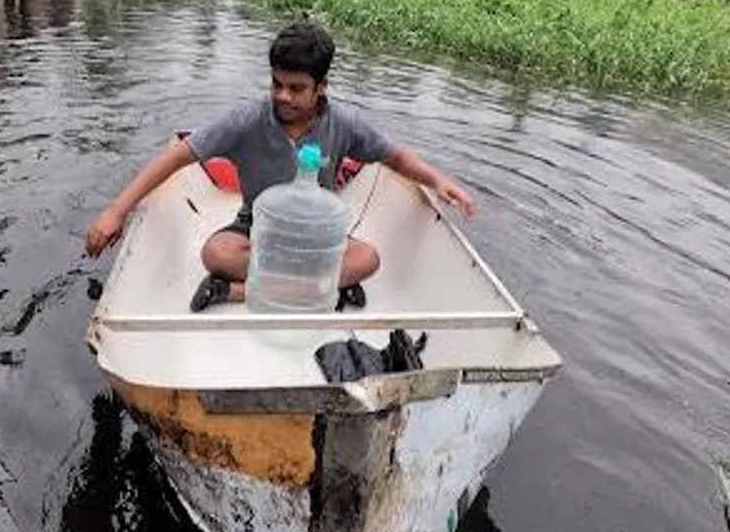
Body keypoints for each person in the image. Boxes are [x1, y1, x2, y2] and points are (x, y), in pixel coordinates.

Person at [83, 18, 477, 312]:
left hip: (318, 233)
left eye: (296, 88)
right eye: (276, 84)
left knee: (367, 259)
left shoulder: (344, 123)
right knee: (217, 254)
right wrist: (116, 211)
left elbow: (395, 156)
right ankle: (324, 291)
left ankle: (238, 293)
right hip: (256, 229)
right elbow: (176, 157)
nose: (283, 96)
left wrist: (439, 180)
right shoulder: (247, 121)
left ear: (321, 87)